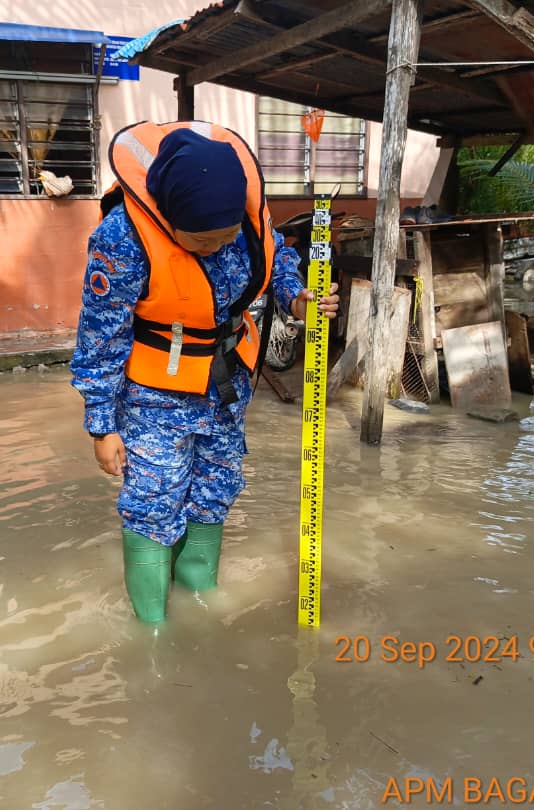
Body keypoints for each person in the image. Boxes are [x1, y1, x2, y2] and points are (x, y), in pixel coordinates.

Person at [70, 122, 339, 624]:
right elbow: (99, 339)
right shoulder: (121, 239)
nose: (216, 248)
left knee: (217, 485)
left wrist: (296, 297)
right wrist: (101, 426)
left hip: (226, 385)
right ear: (169, 215)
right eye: (201, 241)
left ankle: (200, 597)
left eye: (225, 237)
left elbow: (275, 256)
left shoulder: (243, 218)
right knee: (153, 497)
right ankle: (152, 627)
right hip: (155, 394)